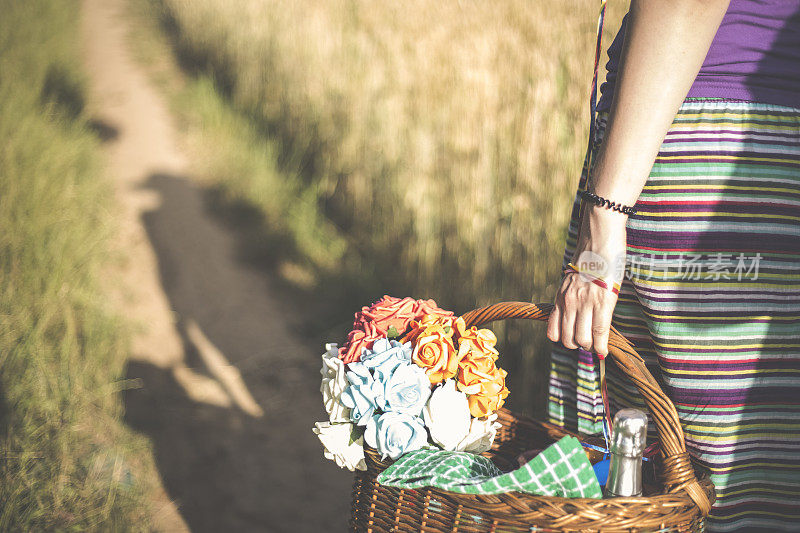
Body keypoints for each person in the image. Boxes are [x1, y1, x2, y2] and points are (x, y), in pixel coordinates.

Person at [546, 0, 800, 530]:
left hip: (702, 162)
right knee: (756, 483)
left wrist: (605, 218)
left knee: (651, 488)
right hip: (767, 163)